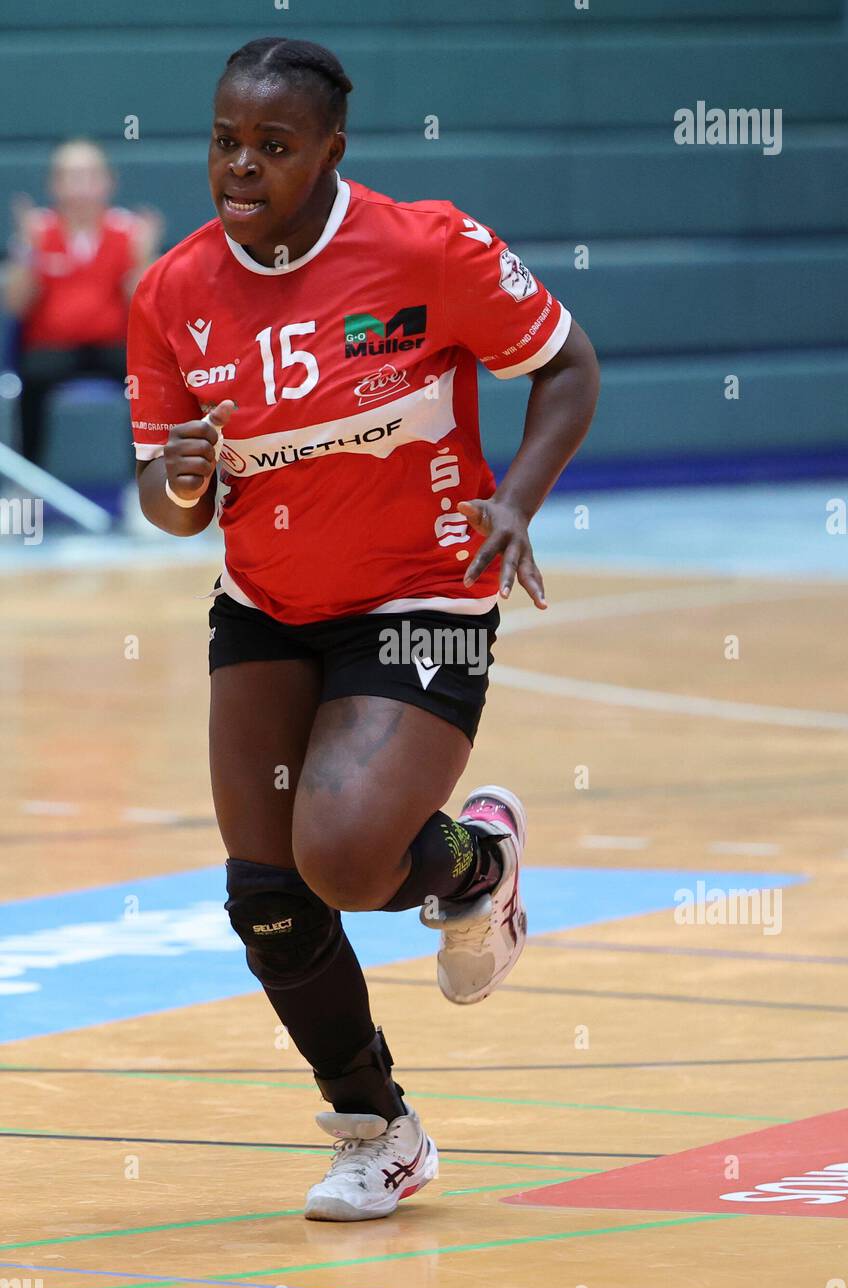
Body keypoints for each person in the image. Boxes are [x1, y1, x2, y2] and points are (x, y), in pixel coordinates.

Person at [128, 37, 599, 1222]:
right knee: (267, 895)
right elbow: (169, 508)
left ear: (331, 152)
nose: (241, 166)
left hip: (421, 594)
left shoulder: (424, 247)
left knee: (338, 856)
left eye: (273, 147)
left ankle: (477, 860)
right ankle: (381, 1131)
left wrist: (517, 498)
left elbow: (566, 366)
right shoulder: (172, 292)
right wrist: (180, 480)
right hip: (267, 604)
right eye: (225, 140)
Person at [5, 139, 162, 465]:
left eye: (89, 175)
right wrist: (26, 252)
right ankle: (30, 483)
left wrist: (143, 257)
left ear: (108, 182)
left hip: (114, 349)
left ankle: (143, 485)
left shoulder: (129, 231)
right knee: (30, 383)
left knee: (148, 382)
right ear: (54, 184)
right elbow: (15, 305)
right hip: (50, 352)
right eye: (70, 176)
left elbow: (145, 307)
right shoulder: (37, 232)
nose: (80, 187)